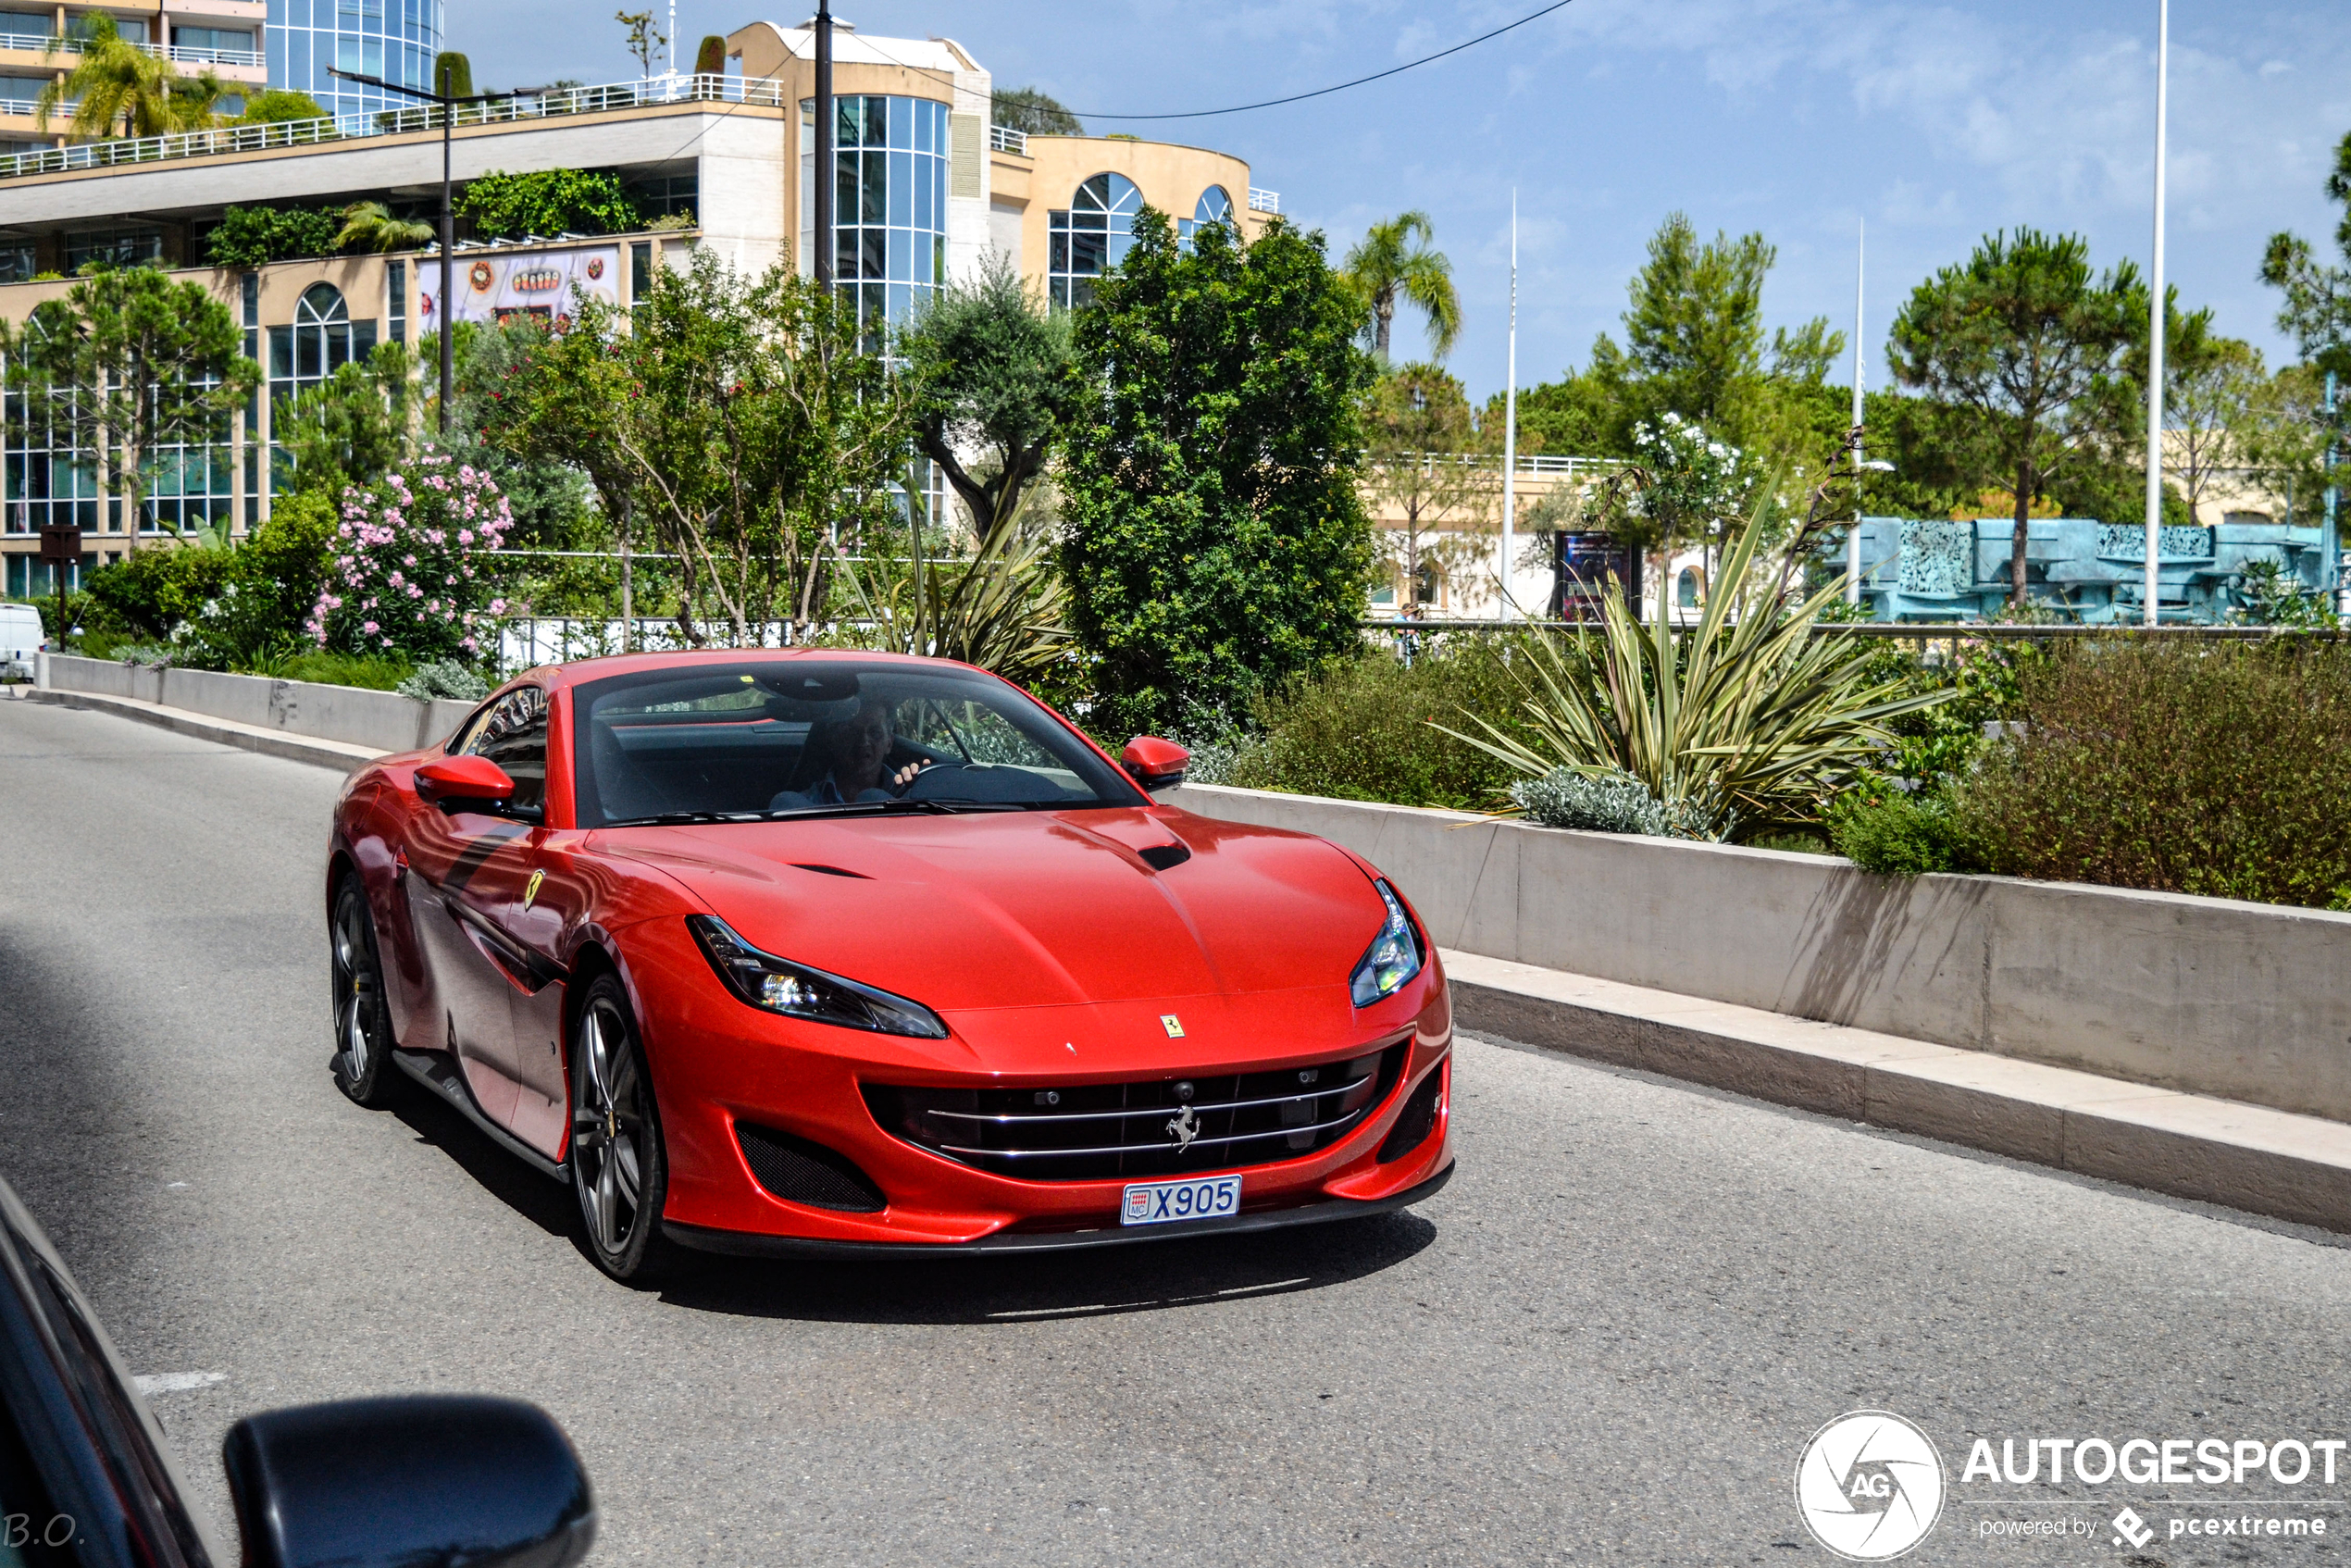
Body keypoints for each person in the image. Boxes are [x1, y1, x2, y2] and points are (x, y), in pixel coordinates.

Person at [771, 696, 924, 809]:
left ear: (889, 743)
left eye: (875, 732)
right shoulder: (802, 805)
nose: (864, 742)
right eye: (852, 732)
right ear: (834, 740)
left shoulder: (910, 793)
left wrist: (925, 783)